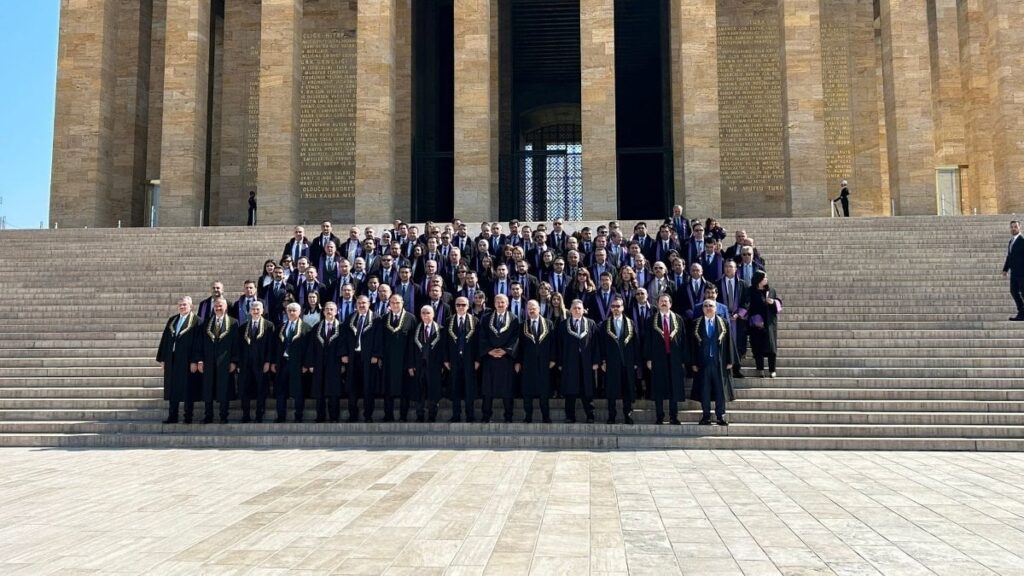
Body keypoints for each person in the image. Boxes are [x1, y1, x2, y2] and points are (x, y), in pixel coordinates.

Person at [690, 299, 737, 426]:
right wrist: (693, 362)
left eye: (711, 305)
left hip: (719, 363)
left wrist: (730, 360)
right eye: (705, 306)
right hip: (703, 364)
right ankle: (706, 416)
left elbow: (729, 342)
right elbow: (692, 345)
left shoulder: (724, 323)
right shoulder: (696, 323)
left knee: (720, 390)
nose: (708, 308)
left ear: (716, 308)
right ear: (702, 309)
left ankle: (720, 416)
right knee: (704, 390)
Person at [156, 296, 200, 424]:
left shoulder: (197, 321)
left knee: (188, 388)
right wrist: (163, 359)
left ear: (191, 306)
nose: (182, 307)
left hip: (187, 360)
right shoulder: (173, 320)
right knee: (172, 388)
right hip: (172, 359)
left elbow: (198, 343)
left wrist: (195, 360)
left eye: (184, 304)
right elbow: (165, 339)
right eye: (180, 305)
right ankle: (172, 415)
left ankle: (188, 416)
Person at [645, 293, 688, 425]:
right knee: (658, 387)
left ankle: (673, 416)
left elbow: (683, 340)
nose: (664, 303)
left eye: (666, 301)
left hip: (674, 358)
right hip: (658, 359)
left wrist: (683, 359)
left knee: (674, 387)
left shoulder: (678, 319)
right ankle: (660, 416)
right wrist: (648, 358)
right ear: (657, 304)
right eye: (661, 301)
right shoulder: (651, 320)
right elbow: (647, 340)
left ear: (670, 304)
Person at [195, 297, 238, 424]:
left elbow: (236, 344)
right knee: (208, 389)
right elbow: (200, 343)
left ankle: (223, 416)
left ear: (226, 307)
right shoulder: (206, 322)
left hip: (225, 362)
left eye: (220, 306)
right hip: (208, 361)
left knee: (224, 389)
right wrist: (200, 360)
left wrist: (234, 361)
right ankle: (208, 415)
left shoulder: (233, 322)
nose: (218, 308)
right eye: (216, 306)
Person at [479, 294, 520, 423]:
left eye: (503, 302)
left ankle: (508, 416)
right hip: (490, 358)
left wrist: (506, 350)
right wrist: (489, 350)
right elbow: (482, 336)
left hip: (506, 359)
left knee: (507, 388)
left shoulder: (514, 319)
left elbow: (516, 338)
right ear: (494, 303)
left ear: (507, 304)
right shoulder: (486, 318)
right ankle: (486, 416)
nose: (500, 304)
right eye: (498, 302)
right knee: (487, 388)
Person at [341, 295, 381, 422]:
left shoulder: (376, 319)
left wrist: (376, 355)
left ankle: (368, 415)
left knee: (368, 387)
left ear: (369, 304)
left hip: (369, 358)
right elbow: (343, 337)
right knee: (352, 387)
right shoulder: (350, 318)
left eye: (364, 303)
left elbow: (379, 338)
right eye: (359, 303)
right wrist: (344, 353)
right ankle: (352, 414)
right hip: (353, 357)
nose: (361, 305)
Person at [558, 299, 599, 424]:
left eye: (579, 308)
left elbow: (596, 344)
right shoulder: (563, 325)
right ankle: (570, 416)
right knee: (570, 390)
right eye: (574, 308)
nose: (577, 310)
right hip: (569, 362)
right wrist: (560, 362)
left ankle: (590, 415)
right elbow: (559, 345)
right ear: (570, 310)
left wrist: (596, 361)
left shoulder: (591, 323)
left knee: (587, 390)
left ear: (583, 310)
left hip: (586, 363)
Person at [598, 296, 637, 425]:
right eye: (613, 306)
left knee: (627, 390)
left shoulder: (630, 323)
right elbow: (601, 345)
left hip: (627, 362)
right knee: (611, 391)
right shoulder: (605, 324)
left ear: (623, 308)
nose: (615, 309)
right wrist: (603, 361)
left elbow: (636, 343)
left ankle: (628, 415)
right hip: (611, 363)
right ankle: (611, 415)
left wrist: (636, 362)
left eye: (618, 306)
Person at [271, 302, 311, 422]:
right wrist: (273, 362)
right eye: (289, 310)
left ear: (299, 312)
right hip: (283, 363)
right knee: (281, 390)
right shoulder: (280, 327)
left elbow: (309, 348)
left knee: (298, 391)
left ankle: (298, 416)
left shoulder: (306, 328)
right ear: (286, 312)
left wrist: (306, 364)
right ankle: (281, 416)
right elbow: (275, 346)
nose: (292, 313)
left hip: (298, 364)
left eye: (294, 310)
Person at [379, 294, 417, 422]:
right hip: (388, 361)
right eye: (392, 302)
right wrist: (380, 358)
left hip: (404, 360)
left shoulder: (411, 318)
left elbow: (413, 343)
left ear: (402, 303)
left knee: (404, 389)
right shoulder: (384, 318)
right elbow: (381, 340)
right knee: (388, 389)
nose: (395, 305)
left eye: (398, 302)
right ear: (389, 304)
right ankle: (388, 415)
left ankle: (403, 416)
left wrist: (411, 363)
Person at [516, 300, 555, 423]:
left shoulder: (548, 323)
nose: (531, 311)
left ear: (539, 309)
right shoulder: (522, 325)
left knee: (544, 390)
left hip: (544, 362)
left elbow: (553, 343)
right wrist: (518, 362)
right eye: (529, 309)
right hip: (528, 363)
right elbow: (519, 346)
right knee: (527, 390)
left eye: (533, 308)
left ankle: (546, 416)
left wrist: (553, 359)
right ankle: (528, 416)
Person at [305, 302, 344, 423]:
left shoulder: (342, 327)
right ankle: (320, 416)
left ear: (336, 312)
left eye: (331, 309)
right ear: (323, 312)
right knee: (319, 391)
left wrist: (343, 364)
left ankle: (334, 416)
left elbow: (344, 346)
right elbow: (311, 347)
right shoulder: (317, 327)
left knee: (334, 391)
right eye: (327, 309)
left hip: (335, 364)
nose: (329, 311)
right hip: (319, 363)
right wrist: (310, 364)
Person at [237, 300, 274, 423]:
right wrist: (239, 363)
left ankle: (259, 414)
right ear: (249, 311)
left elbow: (270, 346)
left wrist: (268, 361)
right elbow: (239, 347)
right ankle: (245, 414)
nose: (255, 311)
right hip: (246, 363)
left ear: (262, 311)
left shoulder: (269, 326)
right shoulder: (243, 327)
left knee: (261, 389)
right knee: (245, 389)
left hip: (261, 363)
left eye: (258, 309)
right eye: (253, 309)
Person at [409, 305, 447, 422]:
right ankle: (420, 414)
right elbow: (410, 349)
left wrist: (442, 365)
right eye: (423, 313)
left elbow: (443, 349)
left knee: (433, 390)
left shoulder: (440, 329)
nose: (425, 315)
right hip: (419, 365)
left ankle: (432, 415)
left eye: (428, 313)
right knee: (419, 390)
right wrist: (411, 365)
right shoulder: (415, 329)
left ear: (433, 315)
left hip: (434, 366)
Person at [445, 296, 480, 422]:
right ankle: (456, 414)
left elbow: (478, 342)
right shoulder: (449, 320)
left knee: (469, 387)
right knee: (455, 387)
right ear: (454, 306)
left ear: (468, 306)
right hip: (454, 360)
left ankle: (470, 415)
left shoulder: (475, 320)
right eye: (458, 305)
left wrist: (478, 360)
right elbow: (445, 341)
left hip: (469, 359)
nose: (460, 307)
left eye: (463, 305)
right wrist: (446, 359)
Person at [747, 271, 782, 377]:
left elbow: (779, 304)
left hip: (769, 323)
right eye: (764, 278)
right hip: (756, 324)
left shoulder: (771, 290)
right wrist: (755, 320)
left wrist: (773, 302)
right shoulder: (750, 291)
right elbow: (748, 305)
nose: (766, 279)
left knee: (772, 348)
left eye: (766, 277)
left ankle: (772, 370)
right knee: (757, 347)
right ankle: (760, 369)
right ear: (758, 279)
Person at [1004, 220, 1024, 321]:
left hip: (1022, 273)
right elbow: (1009, 257)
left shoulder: (1022, 240)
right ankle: (1022, 313)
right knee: (1013, 291)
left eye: (1015, 227)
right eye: (1012, 227)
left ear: (1020, 227)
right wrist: (1005, 269)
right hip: (1014, 273)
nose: (1013, 229)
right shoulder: (1011, 241)